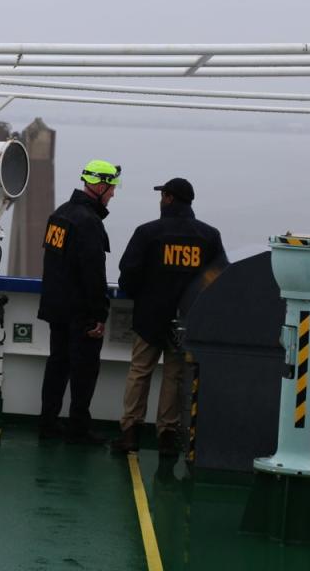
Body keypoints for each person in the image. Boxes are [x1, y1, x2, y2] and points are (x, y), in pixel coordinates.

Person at [111, 178, 226, 455]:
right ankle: (166, 436)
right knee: (174, 376)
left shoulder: (148, 233)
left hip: (149, 316)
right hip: (187, 320)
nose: (160, 199)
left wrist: (141, 293)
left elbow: (128, 272)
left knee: (140, 372)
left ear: (170, 199)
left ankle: (130, 433)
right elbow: (220, 275)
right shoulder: (208, 236)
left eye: (162, 195)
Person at [37, 159, 120, 444]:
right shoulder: (88, 222)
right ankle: (78, 429)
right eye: (111, 188)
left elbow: (52, 263)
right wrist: (99, 314)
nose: (112, 194)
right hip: (79, 311)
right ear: (98, 185)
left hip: (56, 307)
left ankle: (48, 424)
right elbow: (93, 273)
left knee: (57, 365)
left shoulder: (60, 214)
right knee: (84, 371)